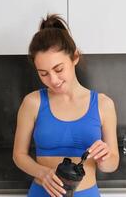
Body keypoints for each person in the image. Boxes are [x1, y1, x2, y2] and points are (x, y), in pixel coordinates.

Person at [12, 14, 119, 197]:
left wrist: (105, 157)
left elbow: (112, 163)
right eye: (43, 73)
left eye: (58, 69)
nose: (53, 80)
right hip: (41, 193)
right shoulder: (32, 103)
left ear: (75, 57)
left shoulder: (103, 104)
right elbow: (19, 155)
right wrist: (42, 172)